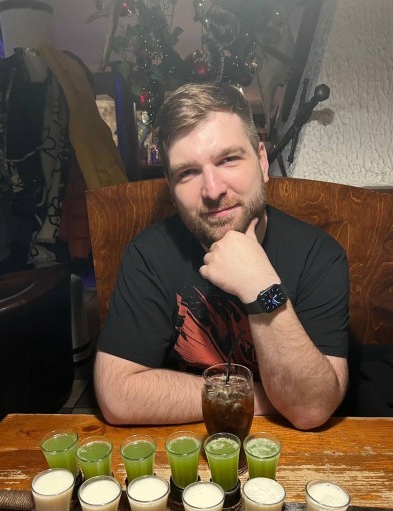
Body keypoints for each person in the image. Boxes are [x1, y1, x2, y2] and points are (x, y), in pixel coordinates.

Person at [94, 82, 349, 430]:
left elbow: (311, 408)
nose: (213, 190)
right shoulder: (148, 254)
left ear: (262, 161)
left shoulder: (319, 255)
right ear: (170, 186)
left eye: (228, 159)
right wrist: (255, 396)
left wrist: (260, 285)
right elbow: (118, 395)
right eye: (188, 173)